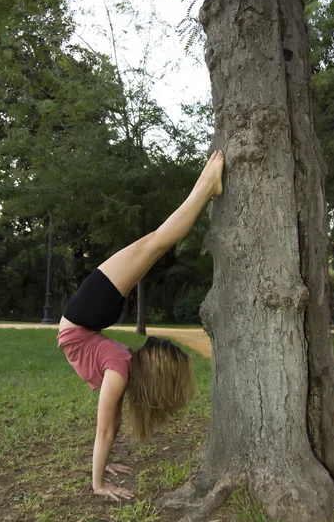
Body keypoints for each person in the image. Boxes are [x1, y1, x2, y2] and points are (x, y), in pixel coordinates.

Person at [57, 149, 225, 501]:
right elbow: (109, 428)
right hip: (88, 321)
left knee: (157, 241)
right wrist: (100, 471)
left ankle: (207, 186)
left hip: (83, 319)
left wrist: (99, 481)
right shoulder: (121, 371)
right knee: (155, 242)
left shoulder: (119, 371)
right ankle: (205, 186)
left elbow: (106, 430)